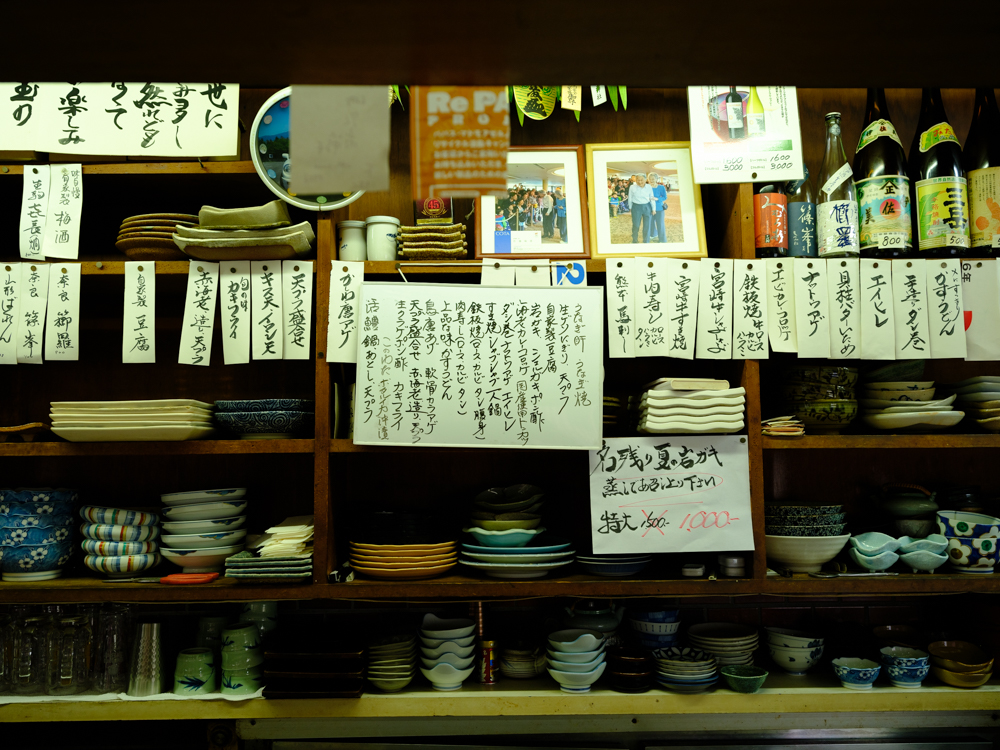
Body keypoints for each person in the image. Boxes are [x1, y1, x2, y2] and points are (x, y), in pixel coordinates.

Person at [627, 174, 653, 243]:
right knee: (636, 225)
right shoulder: (632, 187)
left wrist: (653, 208)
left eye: (642, 180)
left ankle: (646, 240)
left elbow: (651, 197)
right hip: (636, 207)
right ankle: (635, 240)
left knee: (647, 225)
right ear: (636, 180)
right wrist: (630, 207)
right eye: (638, 180)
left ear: (645, 180)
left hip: (647, 206)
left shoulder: (649, 187)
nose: (640, 182)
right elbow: (630, 197)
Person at [648, 172, 667, 243]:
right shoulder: (647, 187)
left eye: (653, 179)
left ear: (656, 179)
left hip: (659, 208)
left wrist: (657, 198)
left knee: (660, 224)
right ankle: (653, 234)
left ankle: (662, 239)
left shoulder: (661, 187)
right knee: (650, 222)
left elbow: (665, 197)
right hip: (649, 208)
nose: (651, 180)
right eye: (650, 179)